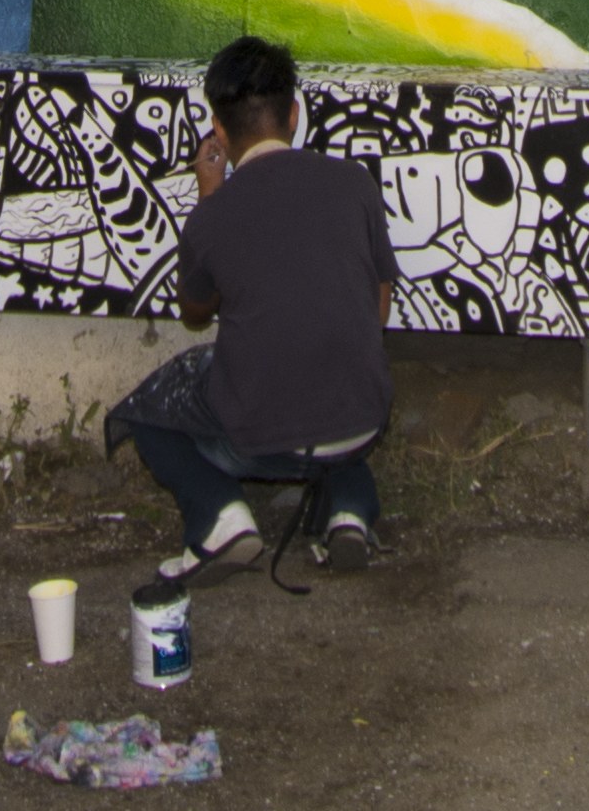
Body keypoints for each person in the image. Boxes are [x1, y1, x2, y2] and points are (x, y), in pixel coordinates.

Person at [119, 36, 396, 585]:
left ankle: (219, 517)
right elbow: (379, 305)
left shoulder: (215, 215)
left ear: (219, 130)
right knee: (331, 421)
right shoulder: (355, 183)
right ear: (294, 115)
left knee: (147, 411)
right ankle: (350, 514)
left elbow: (195, 311)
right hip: (362, 419)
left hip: (258, 440)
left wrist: (209, 194)